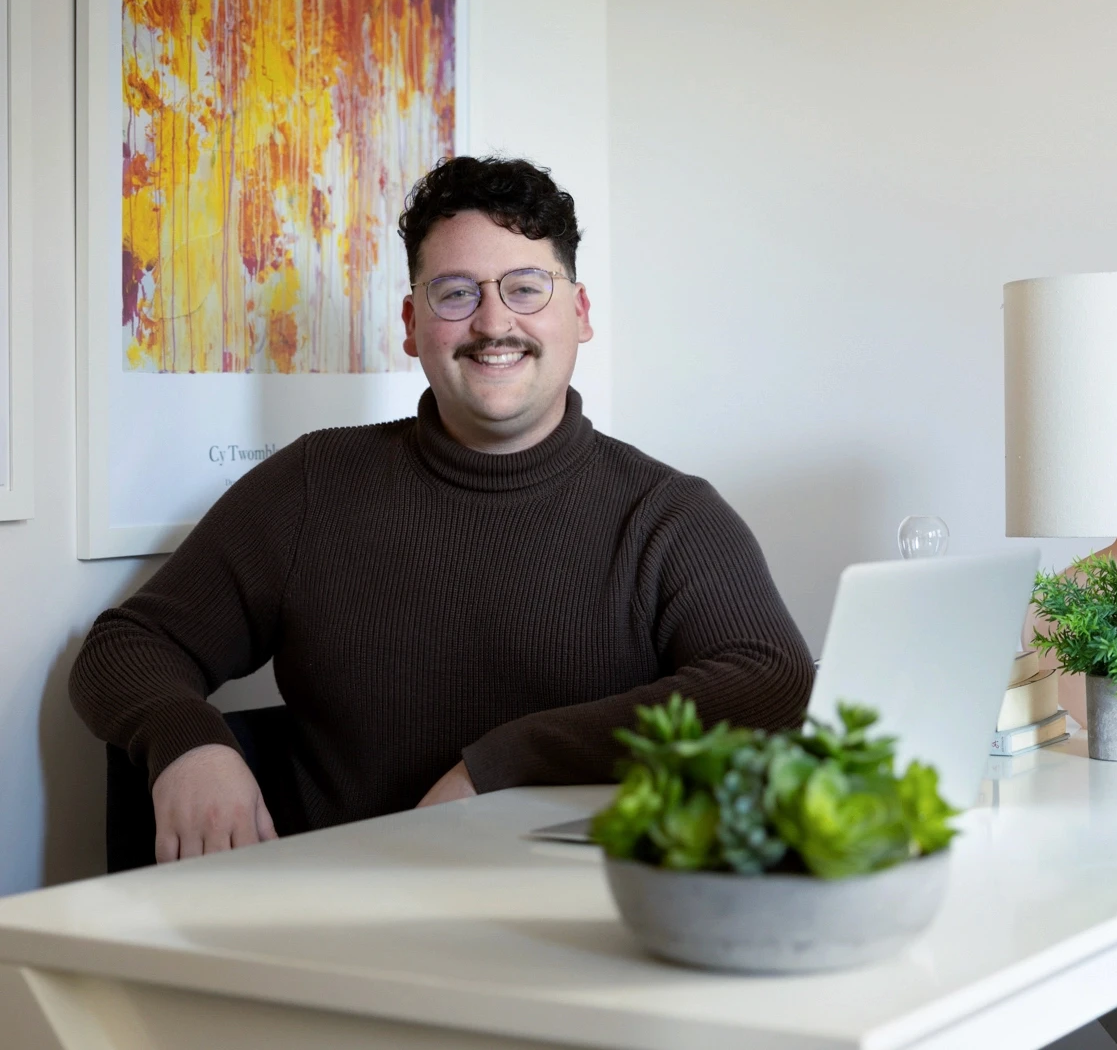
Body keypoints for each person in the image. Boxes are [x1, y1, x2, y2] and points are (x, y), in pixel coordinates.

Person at [70, 156, 813, 861]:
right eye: (456, 292)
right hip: (342, 924)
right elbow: (129, 645)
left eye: (526, 288)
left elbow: (771, 682)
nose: (493, 324)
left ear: (579, 312)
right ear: (410, 322)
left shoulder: (665, 516)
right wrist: (188, 742)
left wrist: (500, 765)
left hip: (581, 933)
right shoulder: (314, 483)